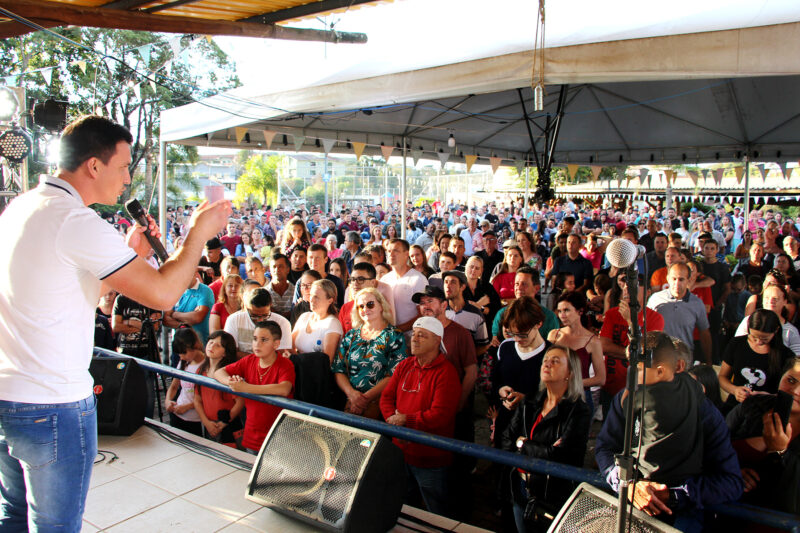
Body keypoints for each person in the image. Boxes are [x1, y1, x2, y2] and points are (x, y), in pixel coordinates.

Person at [0, 116, 231, 532]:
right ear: (93, 165)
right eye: (124, 167)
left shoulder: (24, 205)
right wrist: (197, 234)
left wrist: (126, 253)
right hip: (51, 402)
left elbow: (61, 278)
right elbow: (163, 294)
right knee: (56, 526)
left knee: (14, 516)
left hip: (8, 392)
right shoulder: (75, 220)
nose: (128, 178)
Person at [596, 332, 743, 531]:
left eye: (639, 369)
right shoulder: (625, 400)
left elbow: (730, 483)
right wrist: (628, 484)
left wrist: (674, 495)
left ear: (676, 368)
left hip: (683, 520)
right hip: (628, 513)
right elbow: (605, 448)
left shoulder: (705, 414)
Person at [501, 345, 591, 533]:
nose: (547, 364)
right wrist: (542, 449)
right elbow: (506, 440)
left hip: (552, 496)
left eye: (555, 361)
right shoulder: (530, 401)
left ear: (570, 373)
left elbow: (562, 456)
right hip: (521, 487)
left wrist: (522, 443)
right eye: (545, 360)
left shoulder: (578, 411)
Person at [379, 317, 461, 516]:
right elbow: (386, 398)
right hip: (400, 451)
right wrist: (394, 423)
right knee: (404, 504)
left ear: (437, 341)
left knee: (436, 509)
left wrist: (405, 421)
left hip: (430, 458)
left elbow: (440, 415)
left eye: (422, 335)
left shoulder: (446, 373)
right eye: (414, 334)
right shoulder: (404, 365)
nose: (414, 339)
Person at [725, 359, 800, 514]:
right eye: (791, 380)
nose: (796, 390)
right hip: (726, 506)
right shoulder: (752, 405)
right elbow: (713, 446)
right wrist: (732, 471)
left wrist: (778, 452)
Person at [215, 321, 295, 453]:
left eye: (264, 340)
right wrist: (232, 382)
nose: (257, 344)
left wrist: (246, 388)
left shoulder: (285, 364)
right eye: (255, 339)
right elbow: (219, 372)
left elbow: (284, 389)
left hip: (277, 436)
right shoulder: (249, 360)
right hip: (252, 433)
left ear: (276, 344)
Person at [333, 288, 406, 418]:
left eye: (370, 304)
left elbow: (394, 375)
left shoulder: (394, 335)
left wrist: (364, 399)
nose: (365, 309)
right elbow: (339, 369)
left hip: (378, 404)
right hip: (349, 401)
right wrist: (352, 395)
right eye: (360, 306)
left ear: (381, 306)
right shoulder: (351, 335)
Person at [719, 309, 795, 414]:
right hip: (735, 408)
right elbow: (722, 377)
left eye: (765, 339)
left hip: (766, 411)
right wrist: (734, 390)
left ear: (776, 331)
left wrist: (768, 396)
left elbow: (790, 394)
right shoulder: (737, 344)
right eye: (754, 337)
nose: (759, 342)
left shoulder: (785, 355)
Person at [547, 292, 606, 411]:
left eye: (566, 310)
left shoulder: (593, 341)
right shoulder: (554, 334)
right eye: (559, 311)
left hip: (580, 398)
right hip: (554, 396)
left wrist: (572, 383)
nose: (562, 315)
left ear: (580, 311)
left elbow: (600, 379)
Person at [647, 263, 712, 364]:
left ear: (689, 280)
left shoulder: (697, 304)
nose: (677, 283)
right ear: (668, 278)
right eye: (674, 279)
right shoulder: (655, 299)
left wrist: (708, 361)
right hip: (659, 356)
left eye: (681, 279)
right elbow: (646, 327)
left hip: (684, 357)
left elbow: (704, 333)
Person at [193, 331, 244, 445]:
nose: (212, 346)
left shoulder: (230, 374)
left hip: (229, 423)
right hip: (209, 423)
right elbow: (197, 400)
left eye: (218, 345)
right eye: (210, 342)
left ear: (225, 353)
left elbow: (240, 402)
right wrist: (206, 422)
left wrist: (225, 422)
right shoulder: (200, 370)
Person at [224, 287, 292, 359]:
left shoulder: (282, 322)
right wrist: (262, 359)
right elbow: (231, 352)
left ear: (270, 306)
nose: (260, 320)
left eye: (265, 315)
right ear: (246, 307)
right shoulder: (234, 320)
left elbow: (282, 354)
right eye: (254, 315)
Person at [734, 284, 800, 355]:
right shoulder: (748, 321)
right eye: (767, 298)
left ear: (785, 301)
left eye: (775, 298)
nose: (770, 301)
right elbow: (737, 346)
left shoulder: (791, 331)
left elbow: (796, 360)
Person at [383, 239, 429, 335]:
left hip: (411, 339)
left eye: (396, 250)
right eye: (389, 251)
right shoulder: (384, 279)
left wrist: (397, 330)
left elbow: (424, 313)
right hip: (388, 338)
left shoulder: (418, 279)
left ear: (406, 254)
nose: (391, 254)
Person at [291, 279, 343, 362]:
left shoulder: (332, 323)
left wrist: (298, 361)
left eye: (316, 297)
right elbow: (290, 345)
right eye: (311, 295)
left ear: (330, 300)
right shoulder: (304, 316)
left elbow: (327, 361)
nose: (311, 300)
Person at [166, 328, 205, 436]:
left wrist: (187, 407)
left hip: (196, 419)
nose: (181, 357)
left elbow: (206, 397)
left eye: (183, 353)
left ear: (194, 346)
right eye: (179, 354)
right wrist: (168, 400)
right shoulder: (183, 362)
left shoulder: (205, 365)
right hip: (178, 414)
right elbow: (174, 386)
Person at [163, 273, 215, 348]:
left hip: (198, 346)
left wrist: (174, 314)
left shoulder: (205, 291)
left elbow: (197, 317)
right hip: (178, 345)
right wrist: (183, 326)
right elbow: (165, 320)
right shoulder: (175, 291)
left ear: (194, 273)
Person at [267, 253, 294, 319]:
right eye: (274, 267)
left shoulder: (295, 291)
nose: (277, 270)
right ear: (270, 270)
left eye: (280, 266)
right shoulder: (264, 292)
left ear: (288, 269)